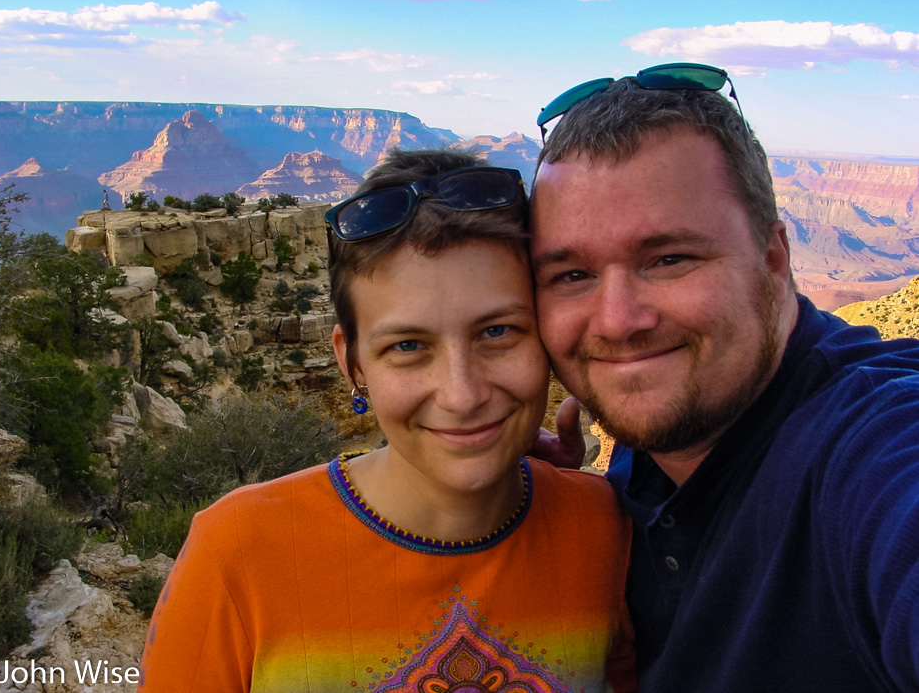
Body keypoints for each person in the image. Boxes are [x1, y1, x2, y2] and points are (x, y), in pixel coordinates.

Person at [138, 148, 635, 692]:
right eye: (407, 345)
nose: (462, 394)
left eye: (498, 331)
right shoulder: (236, 555)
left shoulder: (607, 531)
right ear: (351, 362)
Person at [529, 63, 919, 691]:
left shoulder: (872, 443)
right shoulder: (638, 462)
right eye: (572, 274)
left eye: (669, 258)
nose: (619, 321)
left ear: (774, 258)